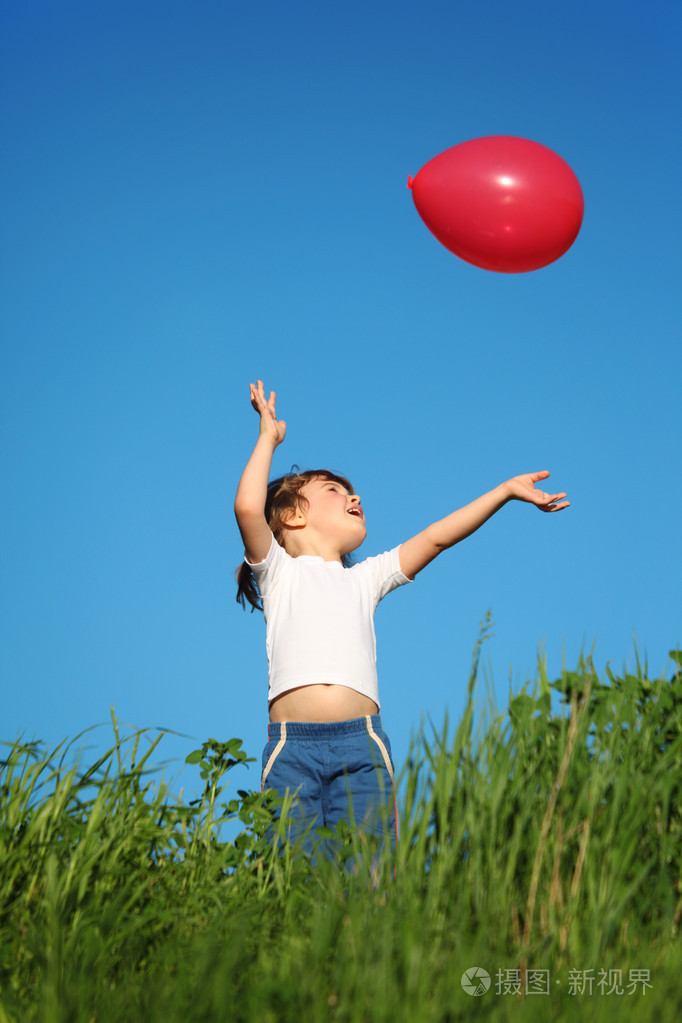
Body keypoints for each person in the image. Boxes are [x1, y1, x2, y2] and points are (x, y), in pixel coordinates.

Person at [234, 380, 569, 854]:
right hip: (292, 748)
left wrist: (504, 492)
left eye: (353, 492)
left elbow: (435, 537)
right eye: (334, 490)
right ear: (291, 515)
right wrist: (268, 437)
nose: (353, 497)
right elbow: (248, 506)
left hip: (361, 745)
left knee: (370, 874)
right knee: (290, 872)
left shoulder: (364, 578)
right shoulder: (278, 572)